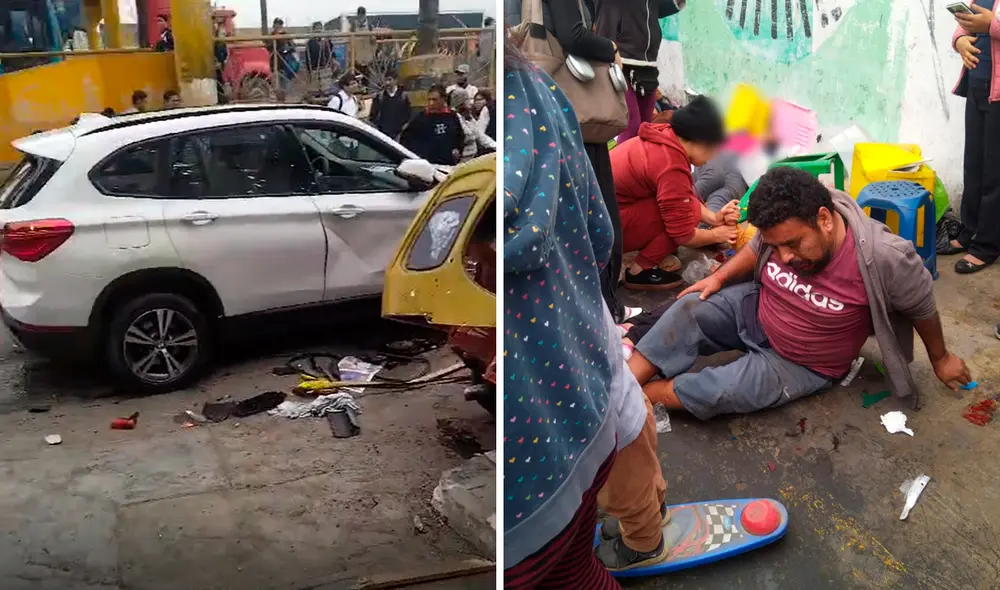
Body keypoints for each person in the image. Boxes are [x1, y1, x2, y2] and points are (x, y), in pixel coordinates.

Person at [627, 166, 972, 420]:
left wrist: (941, 358)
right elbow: (760, 243)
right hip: (756, 310)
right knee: (688, 307)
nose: (785, 257)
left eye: (792, 244)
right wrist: (720, 278)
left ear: (824, 219)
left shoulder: (884, 257)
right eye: (776, 247)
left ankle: (631, 400)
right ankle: (625, 383)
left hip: (802, 364)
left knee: (716, 391)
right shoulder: (785, 226)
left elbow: (921, 303)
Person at [504, 37, 638, 590]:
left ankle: (642, 538)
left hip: (534, 471)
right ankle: (644, 539)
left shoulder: (534, 92)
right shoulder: (540, 94)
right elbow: (602, 233)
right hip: (589, 403)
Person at [538, 0, 632, 322]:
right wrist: (610, 47)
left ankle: (595, 309)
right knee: (599, 214)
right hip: (573, 115)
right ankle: (607, 310)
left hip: (556, 115)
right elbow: (573, 35)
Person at [612, 97, 739, 290]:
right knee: (679, 220)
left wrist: (714, 218)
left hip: (603, 215)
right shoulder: (671, 165)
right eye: (714, 149)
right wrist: (716, 235)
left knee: (683, 209)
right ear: (699, 141)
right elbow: (683, 235)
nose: (714, 157)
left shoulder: (666, 137)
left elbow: (682, 195)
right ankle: (638, 272)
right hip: (607, 227)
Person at [944, 3, 1000, 274]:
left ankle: (987, 245)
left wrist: (991, 25)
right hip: (978, 87)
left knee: (995, 174)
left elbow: (989, 23)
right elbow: (964, 24)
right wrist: (961, 40)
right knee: (973, 166)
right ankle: (969, 232)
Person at [596, 0, 684, 144]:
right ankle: (619, 165)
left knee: (645, 130)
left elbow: (657, 8)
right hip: (620, 62)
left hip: (648, 65)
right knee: (631, 128)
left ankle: (633, 165)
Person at [399, 85, 463, 165]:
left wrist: (457, 149)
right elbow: (406, 138)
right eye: (429, 100)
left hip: (448, 164)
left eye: (434, 100)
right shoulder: (421, 118)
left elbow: (460, 136)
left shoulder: (452, 116)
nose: (431, 103)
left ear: (443, 99)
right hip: (427, 164)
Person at [450, 88, 495, 162]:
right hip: (462, 160)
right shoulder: (454, 118)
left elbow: (480, 135)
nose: (471, 102)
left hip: (473, 158)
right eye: (467, 100)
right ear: (460, 102)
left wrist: (497, 146)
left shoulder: (468, 117)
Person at [370, 72, 410, 139]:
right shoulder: (380, 96)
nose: (387, 83)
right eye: (386, 80)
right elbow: (373, 114)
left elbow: (408, 113)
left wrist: (403, 126)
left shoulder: (403, 96)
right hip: (383, 133)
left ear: (396, 80)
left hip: (398, 134)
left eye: (389, 80)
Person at [268, 18, 299, 93]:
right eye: (276, 25)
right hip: (275, 64)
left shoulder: (285, 36)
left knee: (285, 86)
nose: (277, 27)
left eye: (279, 26)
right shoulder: (271, 36)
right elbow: (269, 47)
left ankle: (283, 99)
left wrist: (286, 49)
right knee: (276, 87)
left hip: (285, 64)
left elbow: (293, 47)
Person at [213, 20, 230, 102]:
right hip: (217, 66)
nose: (224, 35)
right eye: (222, 34)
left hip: (220, 65)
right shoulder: (217, 44)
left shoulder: (222, 44)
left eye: (224, 34)